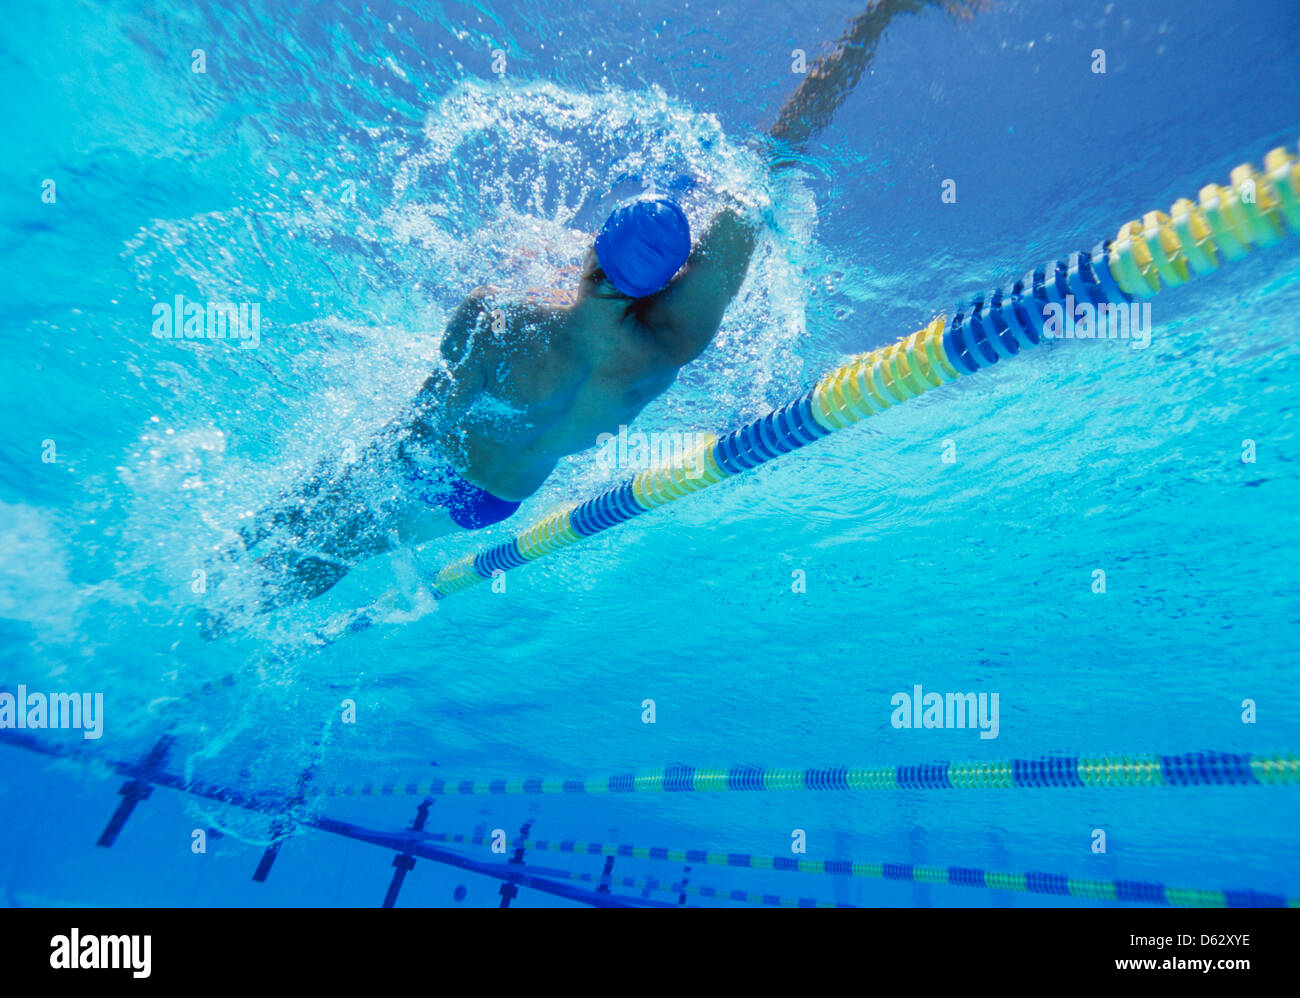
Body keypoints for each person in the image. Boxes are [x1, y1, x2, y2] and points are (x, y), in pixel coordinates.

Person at [230, 196, 757, 612]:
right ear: (664, 286)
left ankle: (230, 574)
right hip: (491, 505)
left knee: (332, 505)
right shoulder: (670, 349)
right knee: (349, 549)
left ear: (593, 251)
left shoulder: (497, 318)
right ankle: (234, 612)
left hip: (428, 468)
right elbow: (737, 230)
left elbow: (423, 423)